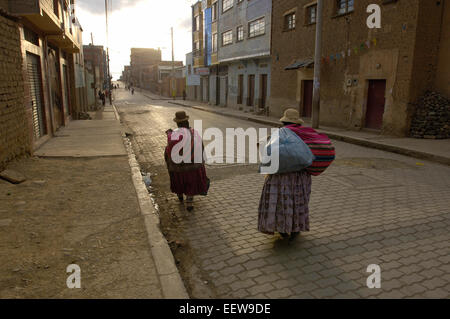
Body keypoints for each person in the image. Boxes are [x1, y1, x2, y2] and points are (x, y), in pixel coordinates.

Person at [257, 109, 312, 241]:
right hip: (299, 177)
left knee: (280, 202)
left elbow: (263, 148)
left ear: (283, 122)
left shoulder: (277, 134)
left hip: (279, 177)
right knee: (296, 202)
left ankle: (281, 228)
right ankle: (295, 228)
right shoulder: (304, 136)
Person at [164, 111, 209, 211]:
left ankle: (180, 195)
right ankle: (189, 201)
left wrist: (169, 133)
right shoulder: (194, 132)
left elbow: (170, 143)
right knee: (191, 181)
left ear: (177, 123)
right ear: (186, 121)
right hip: (193, 165)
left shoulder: (174, 134)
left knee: (167, 154)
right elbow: (200, 146)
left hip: (178, 166)